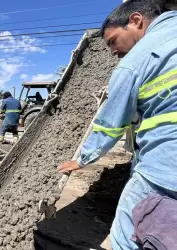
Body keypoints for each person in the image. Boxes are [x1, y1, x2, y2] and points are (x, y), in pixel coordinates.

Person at [57, 1, 177, 249]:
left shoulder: (135, 61)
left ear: (135, 20)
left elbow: (112, 122)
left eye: (113, 41)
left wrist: (83, 158)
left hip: (164, 166)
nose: (112, 51)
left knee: (128, 230)